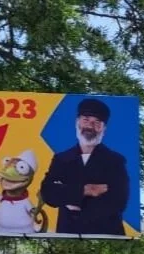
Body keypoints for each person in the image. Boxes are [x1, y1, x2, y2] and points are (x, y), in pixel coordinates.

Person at [38, 97, 130, 236]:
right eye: (86, 120)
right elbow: (48, 193)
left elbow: (119, 201)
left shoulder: (115, 161)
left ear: (104, 129)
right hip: (68, 234)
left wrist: (70, 198)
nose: (90, 126)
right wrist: (86, 190)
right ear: (77, 122)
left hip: (106, 235)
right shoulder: (61, 159)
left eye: (96, 122)